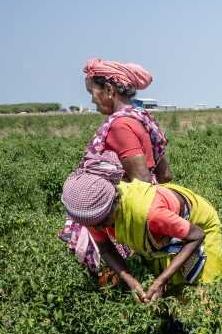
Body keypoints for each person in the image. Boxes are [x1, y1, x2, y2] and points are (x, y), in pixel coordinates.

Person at [60, 151, 222, 301]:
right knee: (173, 290)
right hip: (166, 230)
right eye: (94, 225)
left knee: (204, 291)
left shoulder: (149, 213)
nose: (100, 228)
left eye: (102, 222)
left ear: (113, 203)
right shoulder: (93, 213)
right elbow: (105, 248)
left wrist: (161, 280)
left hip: (197, 224)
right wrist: (131, 281)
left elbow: (197, 235)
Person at [59, 58, 173, 274]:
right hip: (151, 212)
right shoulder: (141, 118)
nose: (92, 100)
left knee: (127, 282)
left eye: (92, 92)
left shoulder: (120, 126)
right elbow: (165, 174)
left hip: (130, 218)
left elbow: (142, 182)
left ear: (109, 90)